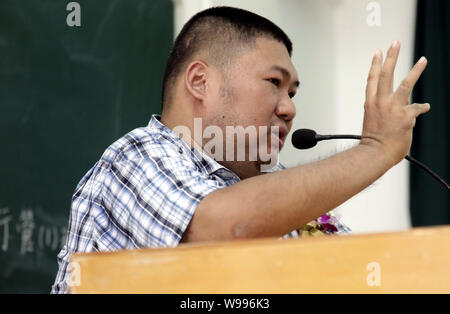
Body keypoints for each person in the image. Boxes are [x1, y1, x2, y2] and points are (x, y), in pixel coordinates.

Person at [51, 6, 429, 293]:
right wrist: (375, 150)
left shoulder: (278, 189)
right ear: (200, 81)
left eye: (293, 92)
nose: (289, 108)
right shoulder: (136, 157)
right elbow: (225, 227)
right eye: (274, 82)